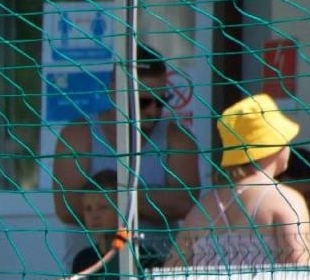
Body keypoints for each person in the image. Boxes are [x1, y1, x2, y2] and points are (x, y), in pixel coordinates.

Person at [52, 45, 201, 267]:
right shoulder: (78, 136)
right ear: (116, 92)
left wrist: (116, 198)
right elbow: (67, 208)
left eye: (161, 100)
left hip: (158, 274)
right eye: (143, 102)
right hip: (92, 274)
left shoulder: (177, 139)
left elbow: (186, 204)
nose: (154, 111)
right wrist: (146, 202)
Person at [170, 94, 310, 269]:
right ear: (275, 146)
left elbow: (171, 271)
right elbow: (301, 274)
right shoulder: (286, 202)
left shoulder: (201, 210)